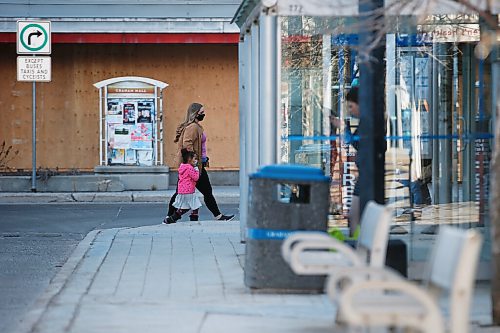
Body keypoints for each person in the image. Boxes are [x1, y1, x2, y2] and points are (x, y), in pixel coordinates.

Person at [166, 102, 234, 221]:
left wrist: (202, 159)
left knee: (193, 191)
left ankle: (217, 215)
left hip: (197, 165)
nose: (204, 114)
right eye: (201, 113)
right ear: (195, 114)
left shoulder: (196, 126)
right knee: (190, 192)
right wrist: (194, 162)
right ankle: (170, 217)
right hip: (192, 167)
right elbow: (187, 145)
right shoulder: (193, 127)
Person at [163, 149, 202, 224]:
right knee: (195, 206)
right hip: (189, 191)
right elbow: (196, 178)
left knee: (185, 207)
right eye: (195, 159)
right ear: (189, 159)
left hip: (182, 191)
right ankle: (193, 221)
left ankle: (170, 219)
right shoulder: (190, 168)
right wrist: (196, 169)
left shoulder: (182, 167)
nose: (196, 160)